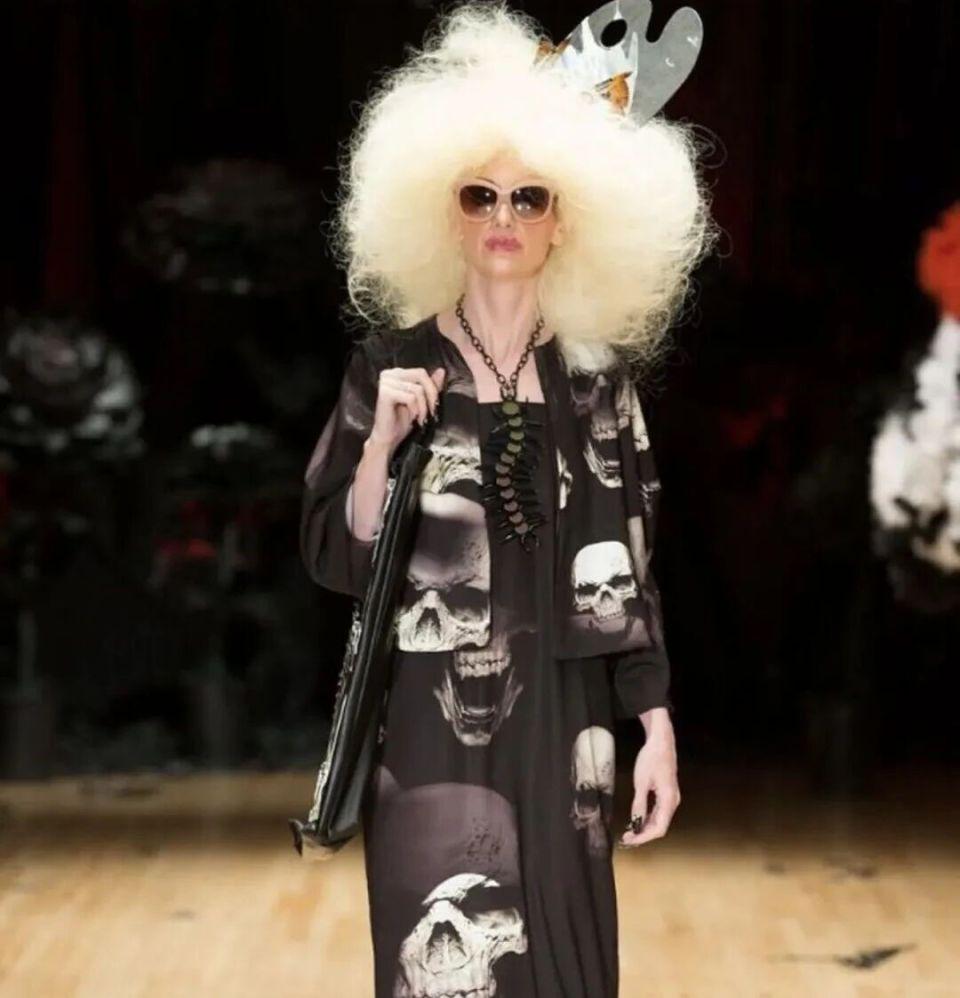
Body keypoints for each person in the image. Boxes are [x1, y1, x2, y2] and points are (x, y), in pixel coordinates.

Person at [300, 2, 718, 994]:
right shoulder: (391, 366)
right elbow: (334, 555)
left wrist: (655, 727)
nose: (503, 217)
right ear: (443, 209)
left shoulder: (597, 385)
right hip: (426, 724)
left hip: (568, 724)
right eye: (479, 194)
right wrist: (382, 447)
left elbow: (632, 569)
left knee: (571, 970)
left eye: (530, 197)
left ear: (566, 219)